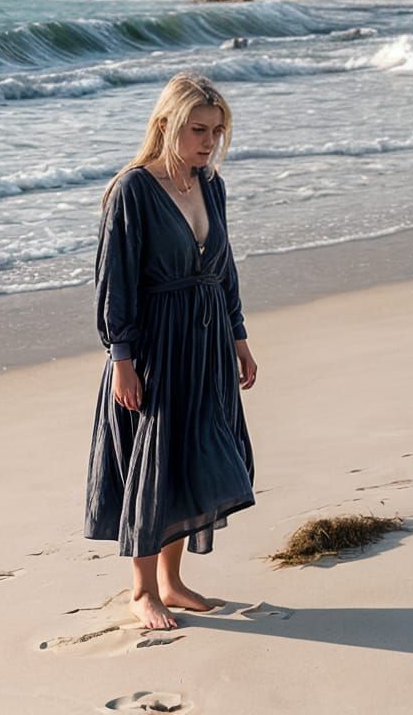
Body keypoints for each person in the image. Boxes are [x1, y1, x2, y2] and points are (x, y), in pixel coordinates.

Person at [84, 72, 257, 631]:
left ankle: (172, 581)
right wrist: (122, 359)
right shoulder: (133, 190)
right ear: (166, 125)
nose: (209, 141)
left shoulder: (210, 184)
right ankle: (141, 590)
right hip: (156, 345)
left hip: (207, 342)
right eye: (198, 130)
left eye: (217, 130)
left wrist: (238, 336)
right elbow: (115, 283)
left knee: (189, 460)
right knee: (152, 462)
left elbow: (224, 270)